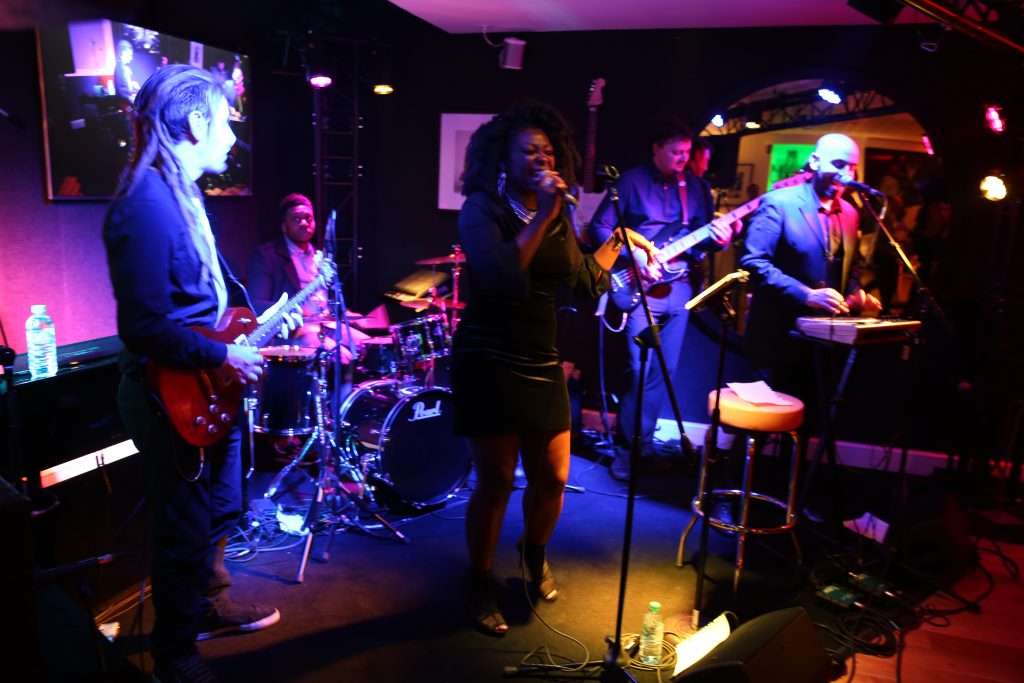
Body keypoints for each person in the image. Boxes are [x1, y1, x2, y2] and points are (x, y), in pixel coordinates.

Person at [103, 65, 281, 683]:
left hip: (203, 389)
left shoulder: (180, 193)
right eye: (227, 122)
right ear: (197, 123)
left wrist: (234, 342)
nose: (233, 137)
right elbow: (145, 329)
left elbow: (197, 309)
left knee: (223, 509)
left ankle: (206, 609)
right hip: (169, 397)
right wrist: (222, 357)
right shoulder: (146, 204)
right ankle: (175, 656)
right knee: (182, 531)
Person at [451, 100, 657, 635]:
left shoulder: (558, 214)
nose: (541, 158)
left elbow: (584, 280)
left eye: (546, 150)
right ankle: (478, 579)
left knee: (555, 476)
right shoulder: (482, 208)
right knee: (497, 481)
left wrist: (619, 242)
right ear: (503, 157)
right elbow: (501, 276)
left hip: (540, 357)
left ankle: (533, 551)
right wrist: (544, 213)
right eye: (528, 151)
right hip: (489, 356)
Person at [588, 120, 736, 481]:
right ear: (656, 149)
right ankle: (626, 450)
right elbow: (599, 227)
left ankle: (644, 445)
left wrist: (721, 240)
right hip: (640, 286)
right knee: (639, 369)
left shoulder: (697, 187)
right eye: (675, 152)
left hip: (679, 286)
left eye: (686, 152)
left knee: (664, 372)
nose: (683, 158)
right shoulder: (631, 181)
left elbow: (702, 240)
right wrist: (634, 255)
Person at [740, 133, 881, 398]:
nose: (846, 174)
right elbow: (753, 263)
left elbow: (851, 267)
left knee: (813, 417)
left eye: (852, 167)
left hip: (821, 345)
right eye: (838, 164)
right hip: (777, 340)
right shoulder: (779, 202)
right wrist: (806, 294)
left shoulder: (850, 213)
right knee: (767, 416)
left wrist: (853, 296)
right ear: (815, 161)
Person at [247, 193, 367, 361]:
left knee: (366, 345)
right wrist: (294, 311)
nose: (304, 223)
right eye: (296, 219)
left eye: (308, 218)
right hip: (295, 331)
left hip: (327, 325)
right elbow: (255, 304)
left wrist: (347, 314)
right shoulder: (266, 256)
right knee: (340, 356)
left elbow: (329, 301)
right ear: (284, 226)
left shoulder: (320, 257)